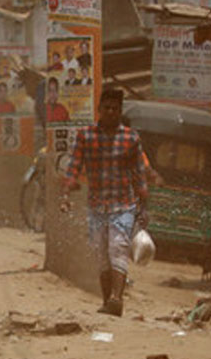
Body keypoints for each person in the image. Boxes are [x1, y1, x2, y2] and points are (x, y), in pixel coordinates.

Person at [62, 89, 148, 317]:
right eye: (106, 108)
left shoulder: (131, 138)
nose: (110, 112)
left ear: (120, 112)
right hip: (96, 206)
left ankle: (116, 299)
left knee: (117, 249)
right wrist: (68, 188)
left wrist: (144, 208)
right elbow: (74, 166)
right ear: (99, 110)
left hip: (124, 205)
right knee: (101, 254)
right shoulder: (86, 136)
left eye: (115, 109)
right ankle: (106, 301)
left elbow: (140, 175)